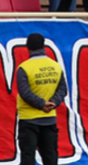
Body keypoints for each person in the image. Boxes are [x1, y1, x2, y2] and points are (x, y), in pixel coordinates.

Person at [16, 33, 67, 165]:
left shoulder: (24, 68)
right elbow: (62, 89)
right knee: (50, 157)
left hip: (28, 119)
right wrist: (53, 103)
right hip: (49, 118)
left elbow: (24, 93)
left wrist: (41, 104)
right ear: (44, 46)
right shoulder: (56, 66)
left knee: (28, 157)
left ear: (28, 48)